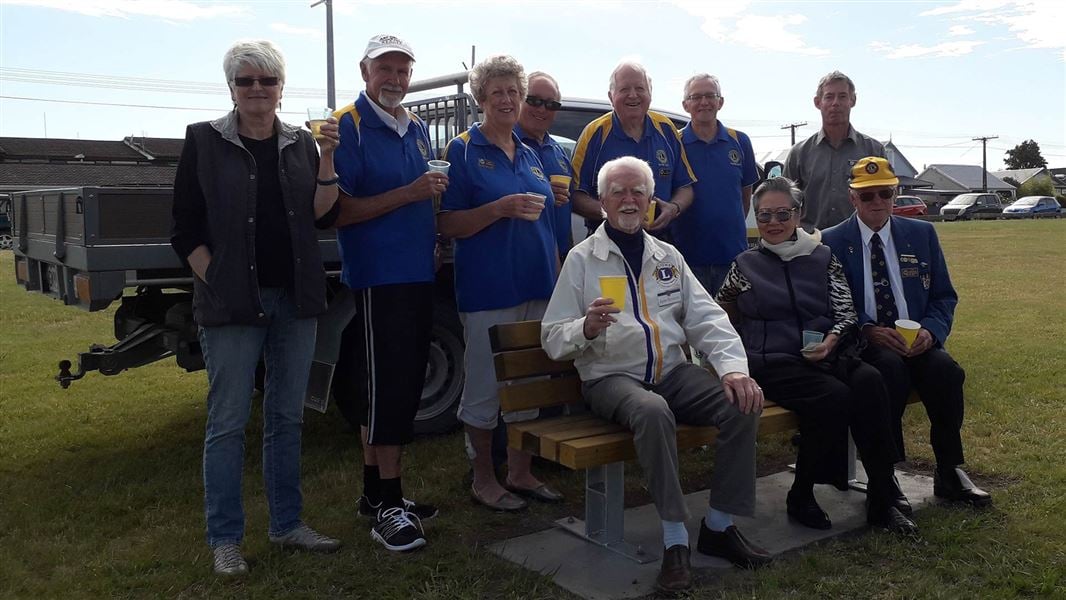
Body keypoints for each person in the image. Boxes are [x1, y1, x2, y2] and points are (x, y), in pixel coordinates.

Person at [541, 156, 772, 594]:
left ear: (650, 201)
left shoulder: (667, 256)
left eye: (638, 193)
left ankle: (719, 526)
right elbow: (553, 337)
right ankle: (674, 540)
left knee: (742, 402)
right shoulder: (582, 260)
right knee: (652, 411)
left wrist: (734, 370)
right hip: (611, 378)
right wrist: (585, 328)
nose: (629, 200)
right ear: (603, 201)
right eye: (618, 192)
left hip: (672, 371)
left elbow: (708, 319)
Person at [171, 39, 342, 576]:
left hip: (296, 300)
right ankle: (225, 539)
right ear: (231, 88)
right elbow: (184, 228)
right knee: (227, 422)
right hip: (232, 306)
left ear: (281, 88)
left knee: (286, 417)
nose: (257, 89)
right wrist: (218, 282)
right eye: (246, 81)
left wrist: (330, 156)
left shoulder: (301, 144)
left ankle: (287, 524)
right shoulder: (204, 141)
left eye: (267, 81)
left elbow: (320, 215)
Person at [716, 176, 918, 536]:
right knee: (833, 396)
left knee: (871, 380)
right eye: (764, 216)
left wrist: (831, 339)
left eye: (782, 214)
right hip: (772, 361)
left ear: (798, 214)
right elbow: (719, 309)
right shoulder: (745, 265)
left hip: (824, 354)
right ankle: (802, 492)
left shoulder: (822, 256)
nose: (773, 223)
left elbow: (845, 311)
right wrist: (739, 339)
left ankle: (882, 495)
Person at [330, 33, 445, 553]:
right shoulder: (346, 126)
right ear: (364, 71)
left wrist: (433, 225)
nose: (395, 79)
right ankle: (390, 507)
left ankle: (375, 495)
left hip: (417, 272)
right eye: (385, 69)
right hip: (380, 275)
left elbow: (423, 198)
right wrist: (411, 193)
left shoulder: (416, 127)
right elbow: (339, 211)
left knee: (390, 384)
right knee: (390, 391)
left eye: (403, 70)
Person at [822, 157, 992, 509]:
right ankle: (885, 474)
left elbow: (944, 295)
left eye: (885, 193)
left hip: (915, 340)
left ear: (895, 194)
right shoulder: (831, 242)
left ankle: (949, 470)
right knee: (888, 372)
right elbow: (830, 304)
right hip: (865, 341)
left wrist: (931, 331)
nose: (877, 202)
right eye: (867, 196)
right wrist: (868, 328)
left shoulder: (921, 234)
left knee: (946, 373)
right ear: (852, 198)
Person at [438, 55, 563, 513]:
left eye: (514, 91)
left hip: (538, 285)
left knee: (528, 384)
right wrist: (498, 209)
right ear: (480, 99)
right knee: (486, 387)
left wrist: (557, 283)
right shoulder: (463, 150)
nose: (508, 99)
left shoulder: (531, 153)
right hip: (489, 289)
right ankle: (483, 478)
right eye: (498, 92)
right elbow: (448, 224)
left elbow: (548, 223)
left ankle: (521, 471)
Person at [570, 61, 696, 238]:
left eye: (640, 88)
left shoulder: (666, 129)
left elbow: (686, 187)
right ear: (611, 96)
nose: (633, 95)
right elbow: (575, 196)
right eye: (624, 89)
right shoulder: (594, 133)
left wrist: (673, 208)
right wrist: (616, 214)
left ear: (650, 94)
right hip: (607, 241)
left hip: (661, 241)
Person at [675, 73, 759, 297]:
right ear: (686, 105)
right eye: (696, 97)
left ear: (720, 102)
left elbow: (745, 196)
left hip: (732, 257)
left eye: (710, 95)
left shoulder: (740, 141)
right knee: (691, 327)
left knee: (731, 325)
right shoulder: (675, 143)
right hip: (686, 259)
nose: (704, 102)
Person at [782, 71, 886, 231]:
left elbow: (885, 202)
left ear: (853, 100)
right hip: (812, 246)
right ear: (818, 102)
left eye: (842, 96)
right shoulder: (799, 153)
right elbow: (784, 203)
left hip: (859, 244)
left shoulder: (874, 151)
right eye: (829, 97)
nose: (835, 103)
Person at [516, 70, 574, 257]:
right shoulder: (505, 144)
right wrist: (542, 191)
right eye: (534, 101)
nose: (542, 109)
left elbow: (569, 206)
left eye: (551, 104)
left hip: (558, 258)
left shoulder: (559, 152)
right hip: (521, 258)